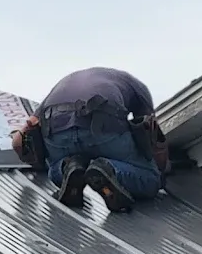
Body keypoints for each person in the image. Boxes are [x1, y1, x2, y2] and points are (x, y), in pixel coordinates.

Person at [11, 67, 167, 212]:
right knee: (151, 179)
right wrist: (162, 167)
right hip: (102, 127)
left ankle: (67, 167)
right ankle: (109, 169)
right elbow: (151, 137)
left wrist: (37, 162)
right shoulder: (137, 87)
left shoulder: (64, 84)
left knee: (55, 169)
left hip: (56, 130)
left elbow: (19, 139)